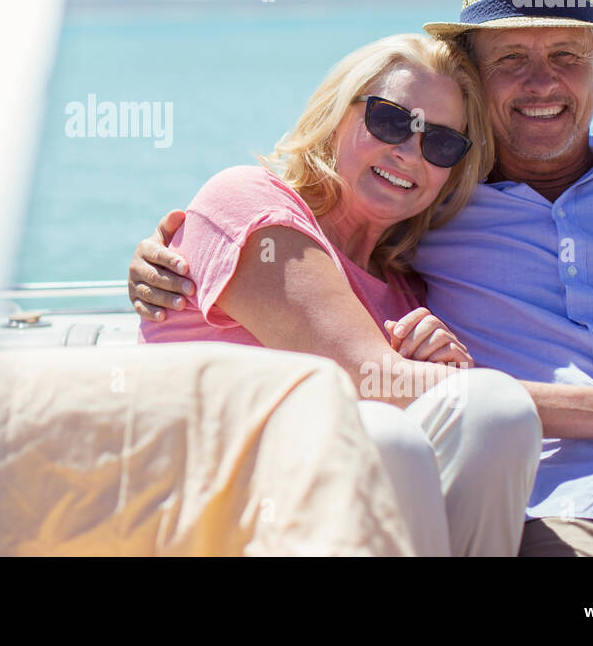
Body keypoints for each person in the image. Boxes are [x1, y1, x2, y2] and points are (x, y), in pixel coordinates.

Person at [130, 0, 593, 556]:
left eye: (567, 56)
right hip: (556, 509)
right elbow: (368, 369)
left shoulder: (418, 255)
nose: (542, 84)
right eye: (511, 59)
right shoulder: (419, 220)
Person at [137, 31, 542, 557]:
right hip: (211, 521)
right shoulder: (247, 202)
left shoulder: (408, 291)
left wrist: (451, 372)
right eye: (391, 121)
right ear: (335, 112)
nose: (408, 152)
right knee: (391, 434)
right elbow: (365, 376)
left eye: (440, 143)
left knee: (487, 414)